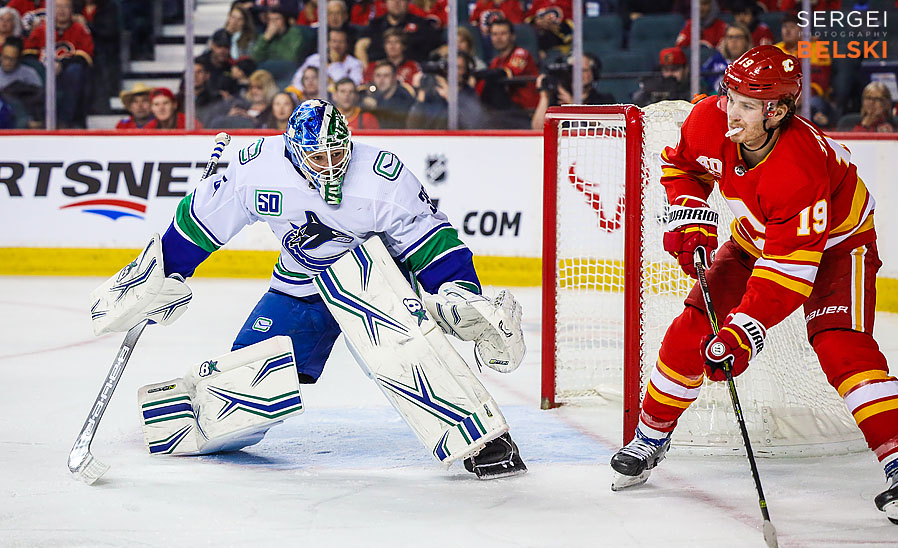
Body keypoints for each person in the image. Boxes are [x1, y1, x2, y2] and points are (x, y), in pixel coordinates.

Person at [91, 98, 527, 479]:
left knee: (409, 355)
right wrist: (159, 274)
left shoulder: (381, 177)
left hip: (372, 283)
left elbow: (431, 238)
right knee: (248, 383)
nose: (332, 165)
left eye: (339, 153)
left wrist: (457, 290)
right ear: (295, 152)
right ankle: (197, 420)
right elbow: (202, 222)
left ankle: (484, 441)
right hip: (299, 282)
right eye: (319, 158)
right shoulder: (256, 167)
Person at [608, 45, 898, 524]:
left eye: (746, 104)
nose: (731, 111)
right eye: (731, 96)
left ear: (778, 111)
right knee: (692, 326)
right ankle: (649, 436)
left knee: (841, 346)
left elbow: (788, 275)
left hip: (838, 248)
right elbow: (684, 167)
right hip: (756, 238)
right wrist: (691, 219)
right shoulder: (708, 118)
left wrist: (743, 332)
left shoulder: (798, 167)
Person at [23, 0, 93, 128]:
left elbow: (86, 57)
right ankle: (36, 120)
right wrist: (42, 70)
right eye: (58, 7)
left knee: (75, 71)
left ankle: (66, 121)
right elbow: (28, 55)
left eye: (66, 7)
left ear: (72, 10)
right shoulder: (41, 30)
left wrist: (62, 64)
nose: (62, 10)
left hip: (68, 78)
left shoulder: (79, 30)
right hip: (42, 76)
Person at [477, 18, 539, 126]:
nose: (498, 38)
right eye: (495, 34)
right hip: (505, 112)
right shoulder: (496, 61)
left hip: (526, 112)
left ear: (512, 36)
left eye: (503, 34)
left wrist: (479, 74)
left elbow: (505, 74)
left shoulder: (521, 53)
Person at [530, 53, 613, 130]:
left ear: (594, 73)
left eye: (583, 70)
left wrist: (573, 106)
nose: (578, 75)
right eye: (574, 70)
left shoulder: (604, 100)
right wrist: (544, 97)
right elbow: (537, 129)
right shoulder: (559, 100)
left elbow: (609, 130)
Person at [407, 51, 487, 129]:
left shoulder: (469, 94)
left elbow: (473, 124)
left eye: (458, 68)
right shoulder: (434, 91)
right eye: (450, 67)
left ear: (466, 71)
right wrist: (421, 95)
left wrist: (450, 98)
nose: (453, 71)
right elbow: (413, 125)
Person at [355, 0, 440, 64]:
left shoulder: (421, 24)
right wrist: (367, 69)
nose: (396, 2)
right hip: (379, 76)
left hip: (414, 75)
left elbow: (440, 47)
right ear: (386, 2)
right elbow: (360, 46)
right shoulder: (375, 25)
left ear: (408, 2)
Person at [290, 28, 364, 89]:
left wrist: (335, 63)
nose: (336, 46)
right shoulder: (314, 59)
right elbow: (297, 80)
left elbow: (349, 88)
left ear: (347, 45)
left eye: (341, 42)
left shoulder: (355, 64)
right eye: (334, 41)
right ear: (328, 43)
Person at [359, 59, 415, 128]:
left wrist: (376, 106)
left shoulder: (404, 96)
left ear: (394, 77)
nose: (381, 80)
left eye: (386, 75)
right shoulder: (370, 94)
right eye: (378, 76)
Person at [701, 24, 752, 93]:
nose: (734, 41)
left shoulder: (753, 62)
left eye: (738, 37)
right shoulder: (716, 59)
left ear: (747, 41)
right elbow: (701, 78)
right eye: (730, 37)